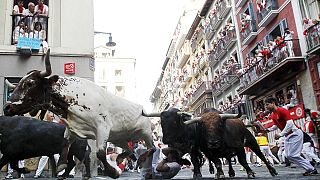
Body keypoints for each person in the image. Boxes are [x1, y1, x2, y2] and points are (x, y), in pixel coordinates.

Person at [265, 97, 318, 176]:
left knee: (292, 155)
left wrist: (280, 134)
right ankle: (310, 165)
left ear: (273, 103)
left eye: (267, 105)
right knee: (288, 155)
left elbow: (290, 123)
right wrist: (268, 130)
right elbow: (276, 126)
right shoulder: (273, 115)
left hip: (295, 133)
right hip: (288, 136)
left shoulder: (282, 110)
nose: (266, 107)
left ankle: (310, 168)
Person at [34, 111, 75, 178]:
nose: (52, 117)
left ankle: (61, 173)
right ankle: (37, 174)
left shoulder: (57, 123)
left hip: (56, 145)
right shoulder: (44, 124)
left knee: (59, 157)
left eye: (52, 116)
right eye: (51, 116)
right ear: (47, 116)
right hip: (47, 145)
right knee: (43, 158)